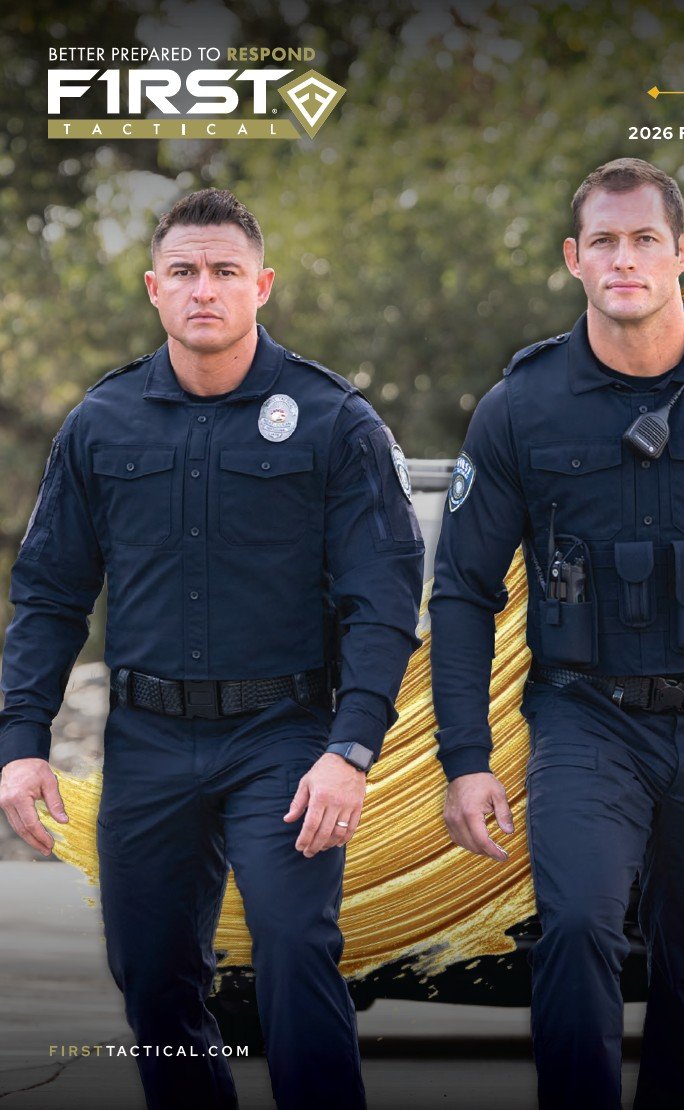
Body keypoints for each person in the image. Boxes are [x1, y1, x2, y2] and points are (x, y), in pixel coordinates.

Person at [429, 157, 684, 1109]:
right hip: (586, 722)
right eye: (605, 242)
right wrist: (465, 759)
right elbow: (459, 591)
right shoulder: (520, 405)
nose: (625, 259)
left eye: (645, 239)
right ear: (573, 258)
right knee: (577, 927)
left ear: (682, 252)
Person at [0, 188, 424, 1110]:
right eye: (184, 271)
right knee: (152, 977)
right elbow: (49, 595)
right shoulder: (100, 422)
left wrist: (350, 750)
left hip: (285, 737)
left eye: (225, 271)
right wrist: (21, 743)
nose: (204, 289)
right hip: (149, 741)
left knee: (294, 950)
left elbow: (383, 602)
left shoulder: (334, 420)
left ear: (261, 286)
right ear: (154, 287)